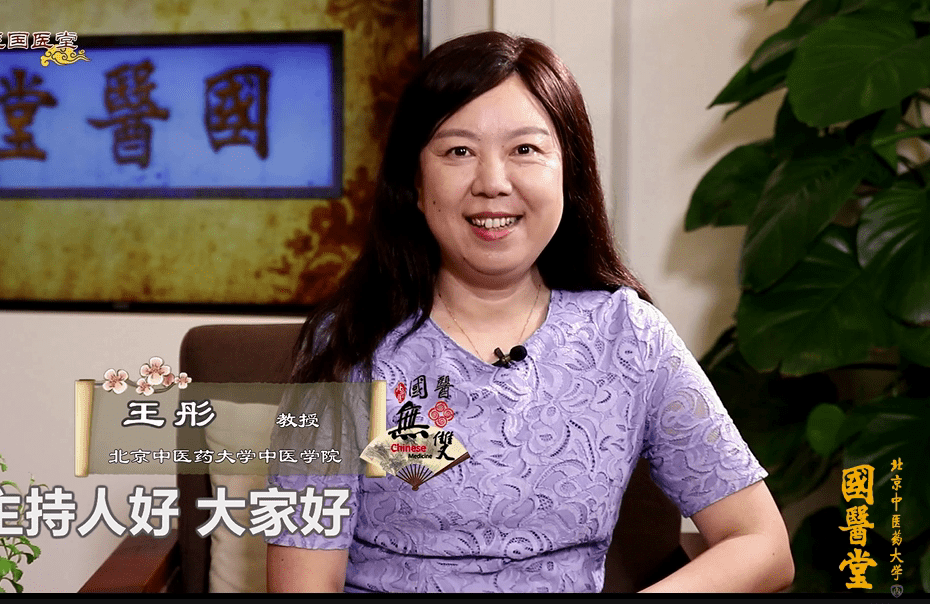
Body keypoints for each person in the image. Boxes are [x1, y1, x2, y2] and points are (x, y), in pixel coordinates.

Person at [265, 31, 793, 593]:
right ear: (414, 184)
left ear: (568, 172)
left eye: (525, 150)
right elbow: (303, 585)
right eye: (458, 151)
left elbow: (761, 543)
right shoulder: (348, 344)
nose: (493, 184)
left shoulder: (628, 336)